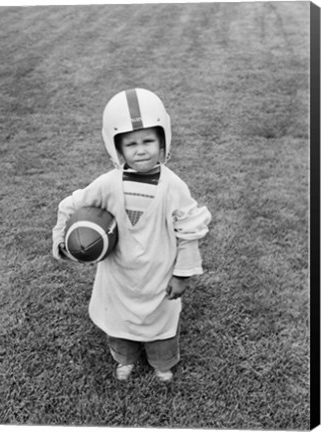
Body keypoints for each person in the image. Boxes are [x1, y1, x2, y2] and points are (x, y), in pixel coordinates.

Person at [52, 88, 212, 382]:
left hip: (158, 274)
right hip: (118, 274)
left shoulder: (173, 186)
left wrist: (183, 273)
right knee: (118, 321)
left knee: (161, 324)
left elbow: (189, 229)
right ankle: (124, 358)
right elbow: (73, 204)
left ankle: (162, 362)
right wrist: (63, 238)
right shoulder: (107, 184)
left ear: (163, 139)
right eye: (131, 143)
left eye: (149, 140)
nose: (141, 149)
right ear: (117, 148)